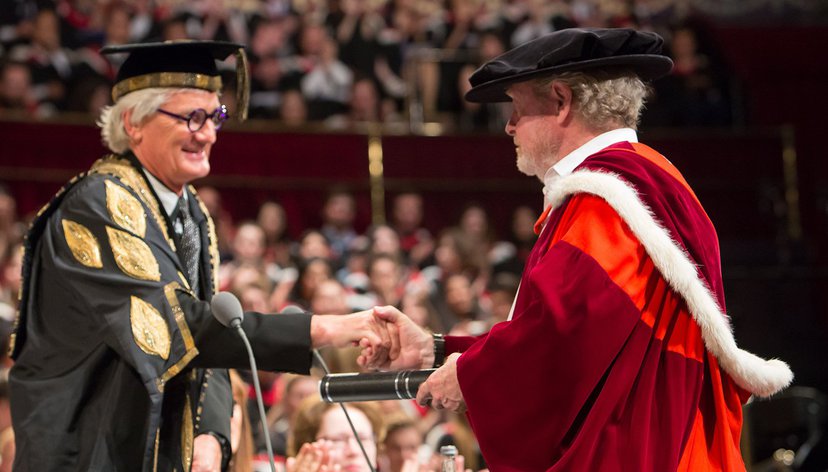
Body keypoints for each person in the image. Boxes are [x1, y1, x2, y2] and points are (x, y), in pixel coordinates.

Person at [362, 28, 793, 471]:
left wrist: (467, 374)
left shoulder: (604, 201)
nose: (508, 125)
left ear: (562, 101)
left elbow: (561, 339)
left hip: (639, 453)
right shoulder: (649, 179)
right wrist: (438, 348)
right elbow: (579, 337)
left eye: (516, 106)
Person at [8, 40, 386, 471]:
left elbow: (215, 340)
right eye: (192, 117)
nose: (208, 133)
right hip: (88, 448)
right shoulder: (100, 204)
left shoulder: (191, 212)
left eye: (215, 116)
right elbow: (179, 328)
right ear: (133, 122)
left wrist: (212, 434)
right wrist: (329, 327)